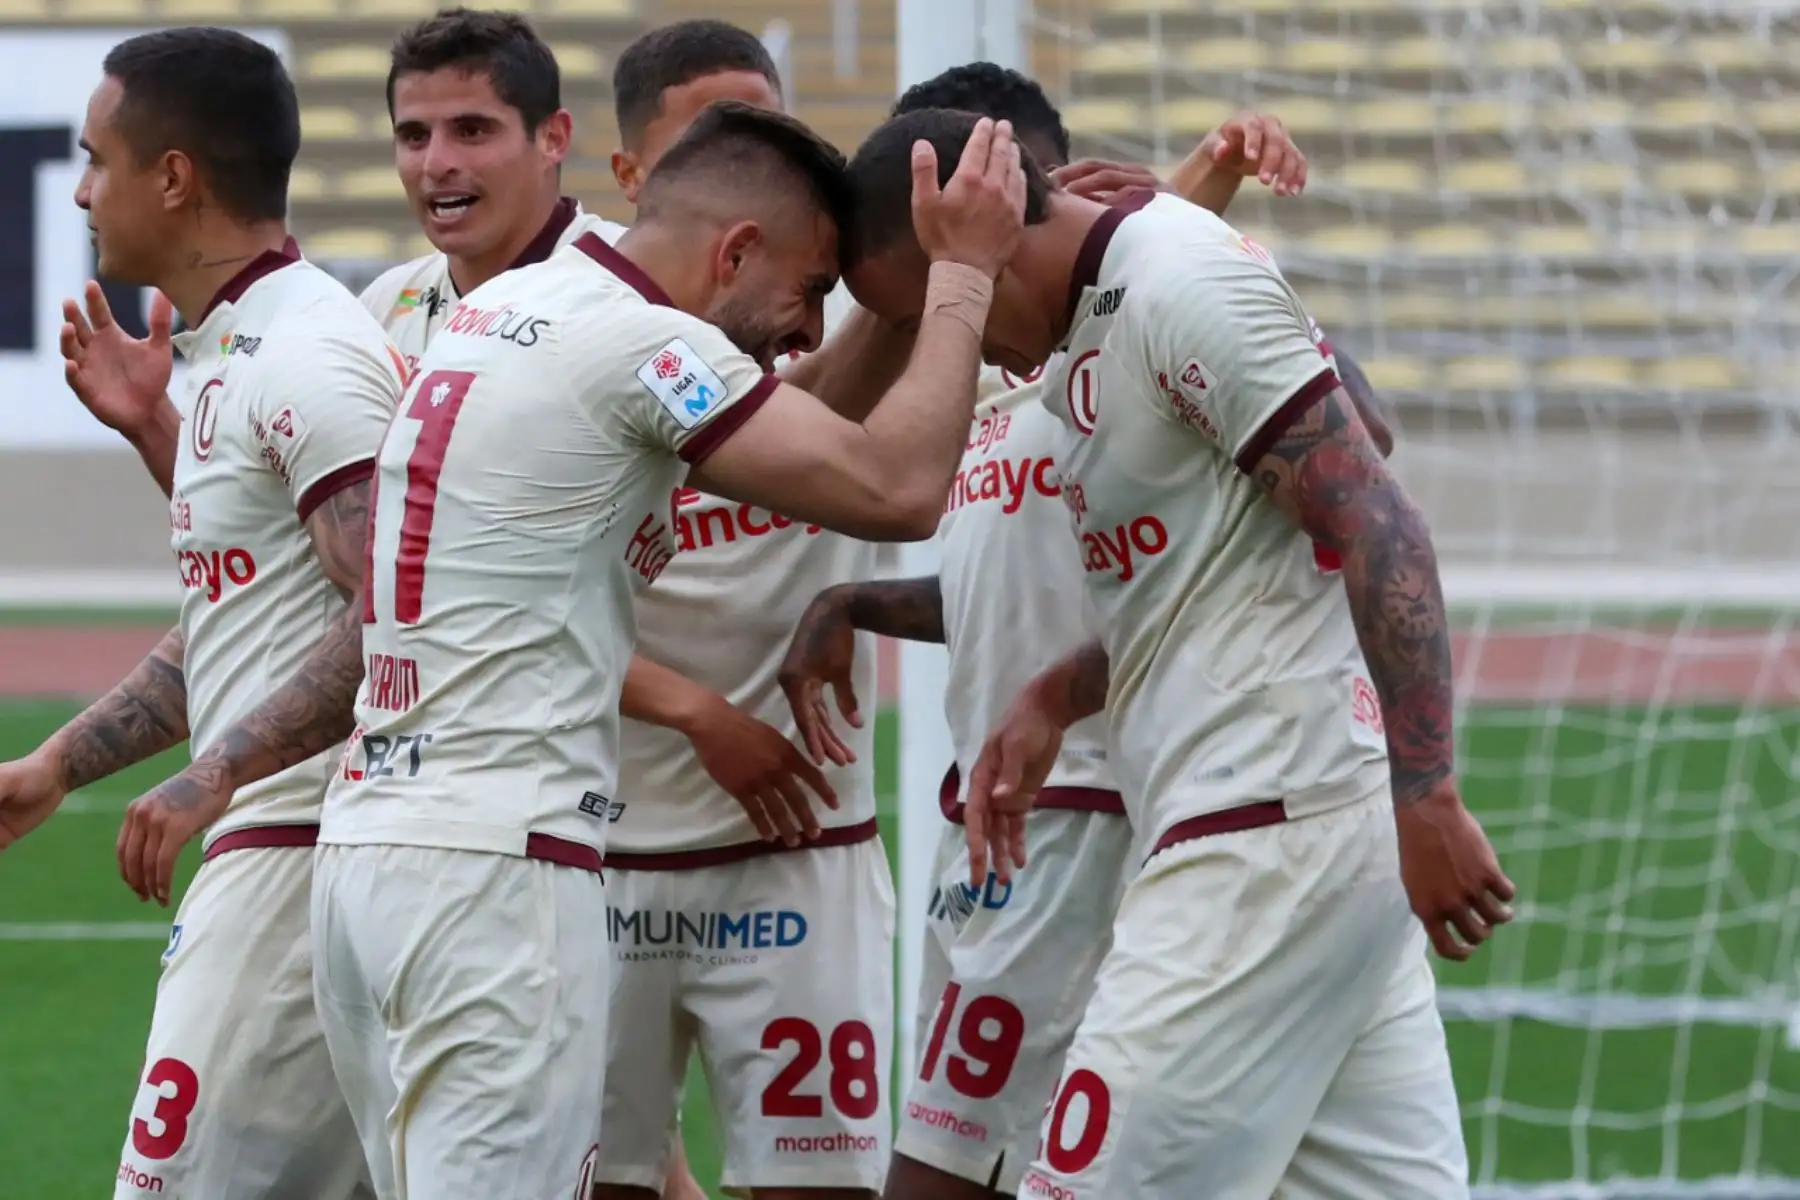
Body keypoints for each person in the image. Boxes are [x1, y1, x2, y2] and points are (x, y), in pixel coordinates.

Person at [109, 100, 1027, 1197]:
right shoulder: (642, 347)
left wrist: (215, 772)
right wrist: (965, 275)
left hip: (371, 858)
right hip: (497, 880)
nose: (806, 333)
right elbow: (896, 487)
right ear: (734, 249)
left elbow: (372, 614)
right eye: (807, 291)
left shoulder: (501, 313)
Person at [840, 107, 1515, 1198]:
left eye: (932, 313)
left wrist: (1427, 794)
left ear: (980, 233)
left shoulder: (1173, 280)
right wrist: (1057, 690)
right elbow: (1199, 575)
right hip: (1277, 838)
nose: (947, 349)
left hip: (1265, 839)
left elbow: (1377, 516)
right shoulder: (1085, 344)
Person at [0, 27, 403, 1199]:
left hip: (294, 869)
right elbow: (248, 604)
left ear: (171, 178)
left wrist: (216, 773)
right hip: (286, 858)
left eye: (95, 159)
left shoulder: (313, 359)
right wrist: (62, 763)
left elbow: (396, 613)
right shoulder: (236, 351)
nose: (79, 191)